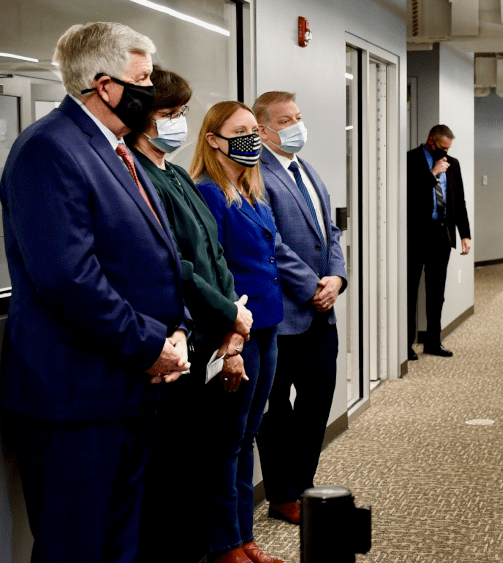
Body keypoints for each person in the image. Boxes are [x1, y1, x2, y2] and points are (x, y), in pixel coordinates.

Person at [0, 22, 189, 562]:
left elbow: (156, 259)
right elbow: (68, 279)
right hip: (75, 399)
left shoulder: (117, 150)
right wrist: (154, 344)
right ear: (105, 86)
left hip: (126, 389)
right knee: (75, 548)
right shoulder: (48, 151)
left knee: (117, 545)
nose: (153, 92)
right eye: (144, 79)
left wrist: (175, 332)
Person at [127, 66, 254, 563]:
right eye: (167, 114)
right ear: (141, 118)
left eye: (181, 112)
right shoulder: (134, 175)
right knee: (171, 478)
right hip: (175, 342)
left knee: (200, 463)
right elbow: (176, 264)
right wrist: (228, 314)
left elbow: (213, 254)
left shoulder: (175, 173)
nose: (176, 122)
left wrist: (231, 323)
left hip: (212, 334)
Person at [192, 101, 286, 563]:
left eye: (255, 129)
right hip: (235, 333)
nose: (253, 138)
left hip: (267, 325)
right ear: (213, 139)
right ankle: (225, 545)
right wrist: (229, 340)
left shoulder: (249, 189)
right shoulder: (208, 192)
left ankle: (245, 539)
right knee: (226, 441)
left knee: (247, 436)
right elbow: (211, 272)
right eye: (241, 130)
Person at [253, 91, 347, 525]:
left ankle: (303, 484)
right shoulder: (256, 174)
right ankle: (283, 493)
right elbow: (271, 243)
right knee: (276, 412)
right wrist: (312, 286)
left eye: (299, 117)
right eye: (286, 120)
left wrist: (337, 278)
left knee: (316, 404)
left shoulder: (306, 170)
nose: (296, 126)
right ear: (264, 130)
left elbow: (329, 232)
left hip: (320, 315)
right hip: (283, 316)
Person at [406, 125, 471, 359]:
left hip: (441, 234)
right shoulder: (409, 160)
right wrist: (432, 173)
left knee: (437, 292)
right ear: (430, 140)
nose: (445, 152)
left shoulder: (452, 164)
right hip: (415, 235)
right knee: (410, 290)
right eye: (442, 147)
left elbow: (458, 200)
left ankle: (433, 341)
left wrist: (465, 234)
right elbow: (409, 195)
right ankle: (406, 345)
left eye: (448, 148)